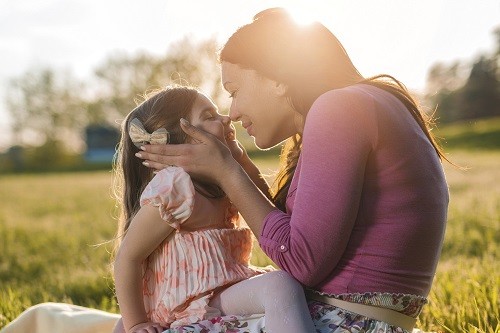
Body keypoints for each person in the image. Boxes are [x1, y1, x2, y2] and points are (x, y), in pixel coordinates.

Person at [135, 7, 449, 333]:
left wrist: (227, 172)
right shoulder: (361, 105)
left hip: (341, 323)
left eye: (235, 91)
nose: (234, 112)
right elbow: (305, 233)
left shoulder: (337, 108)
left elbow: (300, 261)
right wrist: (240, 164)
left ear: (278, 78)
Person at [111, 84, 316, 333]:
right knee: (279, 286)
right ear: (178, 142)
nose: (227, 118)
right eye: (209, 117)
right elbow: (128, 258)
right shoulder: (175, 186)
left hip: (219, 292)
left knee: (289, 285)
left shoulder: (222, 180)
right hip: (187, 300)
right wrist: (136, 323)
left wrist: (239, 160)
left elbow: (270, 209)